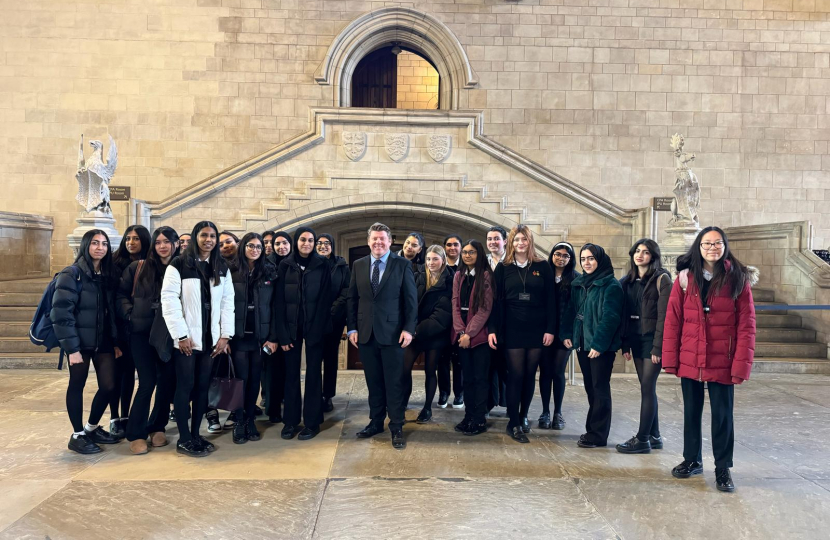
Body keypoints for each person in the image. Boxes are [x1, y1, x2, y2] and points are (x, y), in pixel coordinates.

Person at [663, 226, 757, 492]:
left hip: (723, 359)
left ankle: (723, 468)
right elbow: (673, 321)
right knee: (691, 412)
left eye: (717, 243)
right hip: (691, 357)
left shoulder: (737, 279)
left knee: (722, 416)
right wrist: (672, 359)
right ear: (698, 247)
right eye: (706, 244)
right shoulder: (684, 278)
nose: (712, 248)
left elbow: (746, 326)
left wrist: (741, 364)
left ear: (725, 246)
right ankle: (692, 459)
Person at [161, 221, 234, 457]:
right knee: (185, 387)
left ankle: (196, 434)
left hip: (211, 340)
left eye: (213, 236)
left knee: (203, 387)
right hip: (187, 341)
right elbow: (169, 301)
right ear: (195, 238)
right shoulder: (179, 264)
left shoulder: (221, 266)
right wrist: (180, 335)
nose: (209, 240)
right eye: (204, 235)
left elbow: (227, 303)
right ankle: (183, 437)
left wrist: (225, 335)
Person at [348, 222, 418, 449]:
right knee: (374, 382)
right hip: (366, 334)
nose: (378, 243)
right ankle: (376, 421)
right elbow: (353, 299)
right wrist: (352, 328)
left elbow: (410, 300)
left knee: (394, 382)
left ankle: (396, 425)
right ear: (368, 241)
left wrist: (409, 329)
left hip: (393, 335)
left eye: (382, 239)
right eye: (374, 239)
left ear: (390, 242)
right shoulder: (358, 265)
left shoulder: (402, 264)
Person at [53, 229, 122, 454]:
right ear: (86, 246)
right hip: (79, 343)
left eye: (104, 244)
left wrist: (114, 341)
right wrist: (71, 349)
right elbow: (61, 313)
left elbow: (109, 311)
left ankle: (91, 427)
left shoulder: (107, 274)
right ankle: (77, 435)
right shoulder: (71, 274)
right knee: (77, 385)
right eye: (95, 243)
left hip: (102, 342)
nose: (100, 247)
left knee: (109, 386)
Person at [488, 225, 556, 443]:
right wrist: (492, 329)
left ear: (530, 242)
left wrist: (550, 329)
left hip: (537, 328)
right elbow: (495, 302)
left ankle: (524, 415)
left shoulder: (542, 266)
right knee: (515, 375)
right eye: (516, 239)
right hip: (512, 327)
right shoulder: (503, 267)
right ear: (511, 242)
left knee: (529, 375)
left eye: (524, 239)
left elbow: (551, 301)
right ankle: (513, 422)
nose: (520, 243)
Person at [116, 226, 180, 454]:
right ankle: (136, 432)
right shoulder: (138, 267)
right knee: (147, 382)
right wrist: (130, 314)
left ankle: (157, 425)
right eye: (159, 242)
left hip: (169, 333)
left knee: (166, 381)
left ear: (176, 244)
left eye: (167, 241)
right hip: (141, 332)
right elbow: (121, 294)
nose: (163, 246)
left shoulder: (182, 267)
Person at [561, 243, 623, 450]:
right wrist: (567, 334)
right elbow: (571, 310)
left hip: (600, 347)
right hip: (582, 343)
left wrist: (599, 344)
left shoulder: (611, 285)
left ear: (600, 260)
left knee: (600, 388)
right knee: (590, 388)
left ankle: (598, 434)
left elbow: (611, 318)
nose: (587, 263)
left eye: (591, 258)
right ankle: (592, 429)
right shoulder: (579, 283)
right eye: (584, 259)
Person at [275, 227, 332, 441]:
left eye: (310, 240)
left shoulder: (322, 264)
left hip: (315, 328)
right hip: (291, 329)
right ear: (296, 242)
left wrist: (317, 329)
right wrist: (283, 335)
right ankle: (290, 421)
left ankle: (312, 422)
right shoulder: (285, 265)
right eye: (302, 239)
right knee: (291, 375)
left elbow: (326, 298)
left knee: (313, 374)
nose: (306, 243)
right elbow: (279, 302)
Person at [615, 239, 672, 454]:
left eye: (645, 252)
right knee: (646, 388)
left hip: (652, 340)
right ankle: (654, 436)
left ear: (653, 256)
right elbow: (625, 316)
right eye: (637, 251)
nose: (640, 255)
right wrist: (626, 344)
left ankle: (642, 439)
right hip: (635, 339)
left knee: (648, 388)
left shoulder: (662, 279)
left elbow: (665, 318)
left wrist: (658, 348)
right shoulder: (626, 281)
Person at [231, 233, 278, 444]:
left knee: (254, 381)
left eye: (259, 247)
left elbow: (275, 306)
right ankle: (239, 420)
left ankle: (250, 419)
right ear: (243, 247)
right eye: (251, 246)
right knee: (240, 380)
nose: (255, 250)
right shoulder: (230, 270)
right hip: (238, 334)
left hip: (260, 335)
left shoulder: (269, 271)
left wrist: (273, 336)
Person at [108, 224, 151, 438]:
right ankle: (115, 417)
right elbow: (114, 297)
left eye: (135, 238)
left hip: (140, 330)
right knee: (118, 376)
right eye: (128, 238)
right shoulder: (115, 264)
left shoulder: (151, 264)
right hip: (120, 327)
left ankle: (127, 415)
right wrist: (128, 315)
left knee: (133, 377)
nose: (131, 242)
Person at [402, 245, 453, 424]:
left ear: (443, 260)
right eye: (429, 259)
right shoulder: (418, 277)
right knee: (404, 367)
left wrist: (416, 330)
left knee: (430, 370)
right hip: (414, 331)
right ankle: (402, 403)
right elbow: (408, 302)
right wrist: (409, 326)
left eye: (435, 259)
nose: (431, 263)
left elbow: (442, 315)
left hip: (435, 334)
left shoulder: (450, 281)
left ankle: (427, 409)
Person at [452, 240, 494, 436]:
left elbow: (485, 308)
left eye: (472, 252)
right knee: (466, 379)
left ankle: (479, 419)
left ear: (480, 254)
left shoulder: (486, 276)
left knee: (480, 379)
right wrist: (461, 332)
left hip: (479, 337)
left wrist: (469, 333)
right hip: (462, 336)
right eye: (465, 252)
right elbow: (455, 304)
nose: (467, 255)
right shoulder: (459, 275)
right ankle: (468, 416)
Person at [539, 242, 578, 430]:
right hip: (545, 333)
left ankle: (558, 413)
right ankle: (545, 411)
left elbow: (576, 311)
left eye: (565, 255)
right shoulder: (543, 276)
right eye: (557, 254)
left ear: (570, 259)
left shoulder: (576, 279)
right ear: (552, 255)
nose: (561, 258)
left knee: (558, 372)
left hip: (565, 336)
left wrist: (568, 334)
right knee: (545, 372)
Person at [316, 233, 350, 413]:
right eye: (319, 243)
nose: (323, 246)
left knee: (330, 358)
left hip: (334, 320)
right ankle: (314, 394)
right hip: (313, 320)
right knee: (315, 359)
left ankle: (327, 395)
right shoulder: (310, 264)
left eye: (326, 243)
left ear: (332, 245)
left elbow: (346, 290)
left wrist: (332, 310)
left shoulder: (342, 266)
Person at [263, 230, 291, 423]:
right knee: (271, 370)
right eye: (277, 244)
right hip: (270, 327)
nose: (281, 247)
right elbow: (271, 303)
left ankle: (288, 408)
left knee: (288, 371)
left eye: (285, 243)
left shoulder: (295, 264)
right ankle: (272, 410)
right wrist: (272, 336)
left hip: (290, 327)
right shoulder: (266, 265)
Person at [485, 226, 508, 412]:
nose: (493, 242)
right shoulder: (483, 262)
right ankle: (490, 401)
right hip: (486, 316)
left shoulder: (512, 261)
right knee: (489, 363)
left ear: (505, 241)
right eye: (490, 239)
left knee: (507, 363)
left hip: (507, 317)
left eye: (496, 238)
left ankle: (508, 402)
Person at [440, 234, 464, 408]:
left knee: (459, 361)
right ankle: (443, 393)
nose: (452, 248)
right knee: (442, 360)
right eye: (449, 245)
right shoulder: (439, 267)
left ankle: (459, 394)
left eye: (456, 244)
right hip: (441, 321)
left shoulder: (465, 268)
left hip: (460, 322)